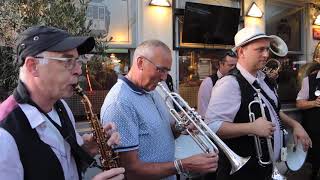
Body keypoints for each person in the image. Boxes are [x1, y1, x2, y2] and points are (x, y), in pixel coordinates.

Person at [0, 25, 124, 180]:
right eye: (67, 61)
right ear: (33, 66)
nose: (79, 70)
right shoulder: (4, 134)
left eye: (77, 61)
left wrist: (86, 150)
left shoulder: (61, 107)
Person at [100, 40, 218, 180]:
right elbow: (130, 171)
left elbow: (161, 136)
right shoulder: (120, 103)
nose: (164, 77)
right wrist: (183, 165)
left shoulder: (151, 90)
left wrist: (179, 127)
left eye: (166, 71)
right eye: (160, 69)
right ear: (140, 63)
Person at [205, 26, 312, 180]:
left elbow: (273, 110)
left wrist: (295, 125)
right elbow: (212, 127)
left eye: (267, 49)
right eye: (260, 49)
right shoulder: (229, 83)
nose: (266, 54)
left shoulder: (264, 79)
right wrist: (251, 128)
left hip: (268, 169)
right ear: (241, 52)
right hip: (244, 174)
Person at [296, 63, 320, 180]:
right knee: (315, 161)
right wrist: (314, 103)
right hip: (315, 131)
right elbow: (299, 103)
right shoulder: (309, 80)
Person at [197, 50, 237, 118]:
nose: (234, 68)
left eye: (235, 66)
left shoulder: (237, 80)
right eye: (230, 65)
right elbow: (203, 112)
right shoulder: (208, 82)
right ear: (221, 64)